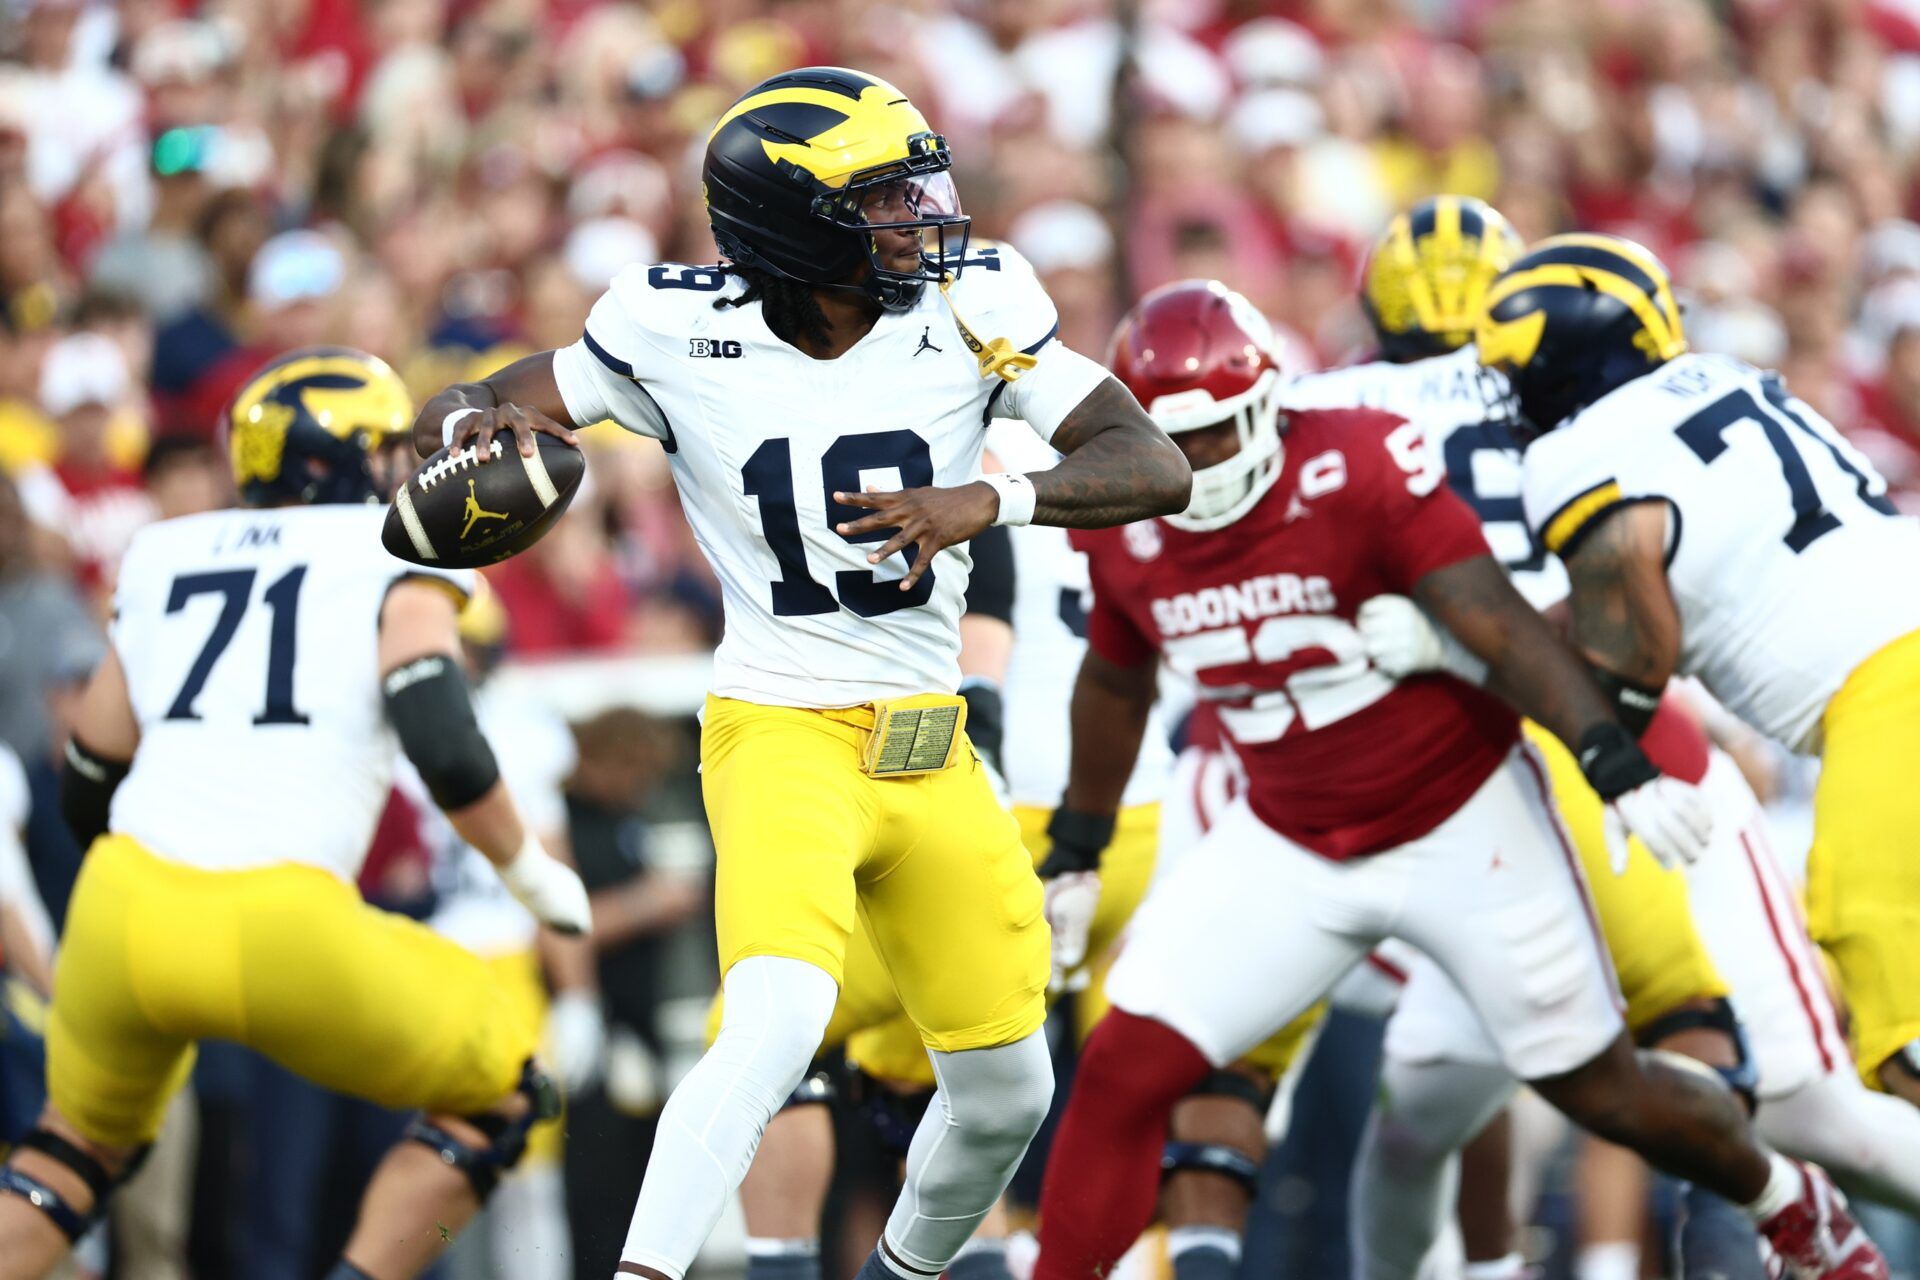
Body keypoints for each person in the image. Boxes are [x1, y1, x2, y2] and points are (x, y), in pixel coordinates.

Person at [410, 67, 1190, 1280]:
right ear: (795, 227)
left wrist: (991, 495)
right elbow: (507, 395)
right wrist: (464, 413)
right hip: (782, 724)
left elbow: (1152, 459)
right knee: (774, 1024)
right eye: (883, 197)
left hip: (929, 740)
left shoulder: (973, 301)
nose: (921, 213)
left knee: (1005, 1088)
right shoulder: (669, 325)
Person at [1028, 278, 1883, 1280]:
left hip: (1459, 818)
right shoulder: (1121, 515)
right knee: (1123, 1067)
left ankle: (1792, 1200)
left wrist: (1612, 763)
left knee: (1600, 1088)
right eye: (1177, 444)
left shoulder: (1350, 457)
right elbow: (1116, 680)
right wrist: (1077, 848)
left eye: (1221, 431)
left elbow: (1497, 620)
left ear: (1269, 402)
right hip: (1290, 836)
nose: (1204, 462)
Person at [0, 346, 593, 1280]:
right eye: (393, 444)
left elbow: (89, 768)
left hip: (122, 906)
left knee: (71, 1156)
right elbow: (441, 737)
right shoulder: (394, 551)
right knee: (510, 1099)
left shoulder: (163, 551)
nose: (409, 462)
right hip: (281, 919)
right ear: (351, 456)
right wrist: (533, 874)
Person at [1481, 234, 1920, 1119]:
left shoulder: (1575, 458)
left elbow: (1633, 656)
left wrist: (1515, 654)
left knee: (1874, 953)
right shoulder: (1725, 377)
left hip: (1888, 683)